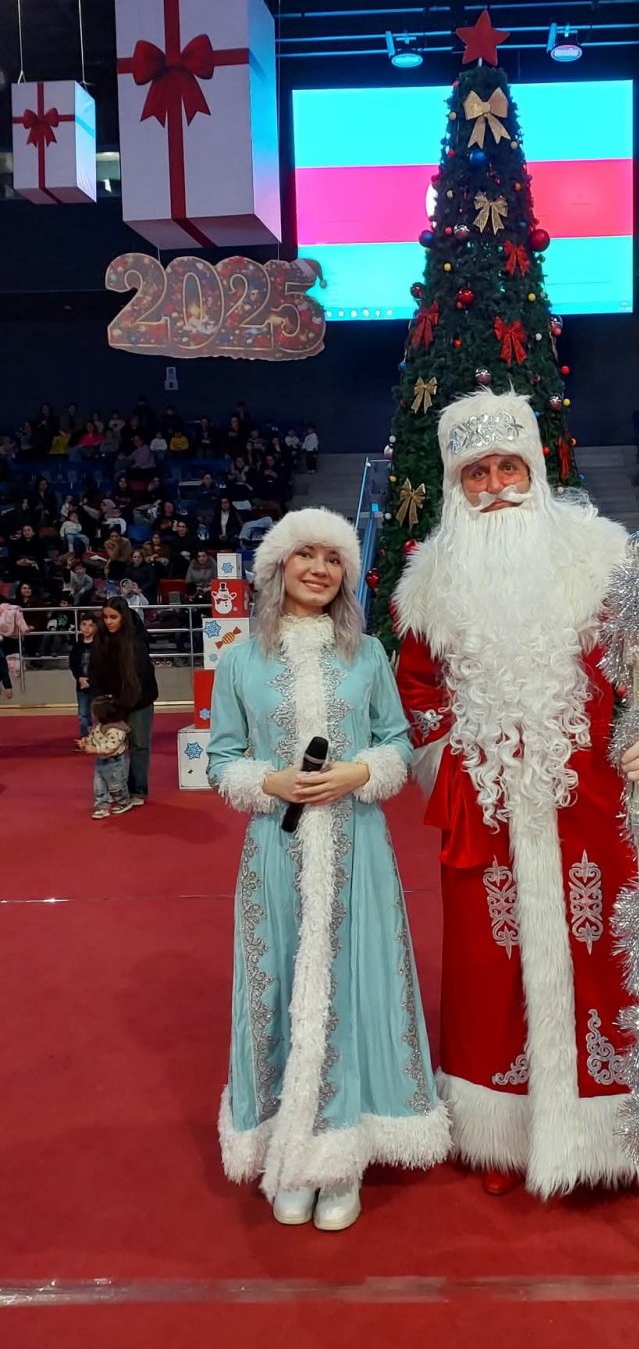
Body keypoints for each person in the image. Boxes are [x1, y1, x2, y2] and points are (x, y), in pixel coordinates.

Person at [395, 388, 639, 1238]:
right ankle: (503, 1134)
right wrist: (455, 762)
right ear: (457, 485)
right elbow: (419, 691)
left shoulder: (599, 559)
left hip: (593, 806)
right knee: (488, 974)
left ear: (536, 471)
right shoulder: (428, 586)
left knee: (621, 971)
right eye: (477, 473)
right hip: (487, 812)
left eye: (509, 467)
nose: (496, 487)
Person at [207, 508, 449, 1232]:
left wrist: (357, 772)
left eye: (333, 558)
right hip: (275, 852)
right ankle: (287, 1150)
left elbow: (397, 742)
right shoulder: (239, 660)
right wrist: (268, 781)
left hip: (357, 847)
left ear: (347, 573)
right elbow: (221, 758)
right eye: (304, 555)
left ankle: (341, 1158)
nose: (318, 568)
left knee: (355, 984)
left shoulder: (367, 655)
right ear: (277, 566)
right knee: (279, 984)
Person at [90, 598, 158, 804]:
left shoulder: (137, 641)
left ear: (124, 617)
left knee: (139, 745)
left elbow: (142, 676)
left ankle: (138, 790)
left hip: (140, 700)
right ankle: (116, 790)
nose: (109, 621)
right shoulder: (100, 639)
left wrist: (125, 705)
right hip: (110, 702)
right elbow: (95, 672)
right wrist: (103, 704)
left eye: (114, 617)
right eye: (105, 617)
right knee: (110, 747)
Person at [77, 695, 133, 819]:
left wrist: (95, 749)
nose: (93, 715)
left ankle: (124, 802)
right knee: (99, 785)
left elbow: (111, 746)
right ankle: (102, 807)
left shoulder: (116, 729)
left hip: (115, 762)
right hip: (101, 761)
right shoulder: (99, 726)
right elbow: (94, 737)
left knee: (117, 785)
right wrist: (86, 742)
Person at [69, 614, 98, 736]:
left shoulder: (99, 646)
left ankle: (100, 737)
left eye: (90, 625)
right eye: (84, 625)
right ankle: (85, 737)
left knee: (101, 714)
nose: (87, 628)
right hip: (81, 686)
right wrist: (79, 678)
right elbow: (73, 664)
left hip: (97, 685)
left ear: (96, 627)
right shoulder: (77, 646)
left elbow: (102, 665)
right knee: (83, 715)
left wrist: (91, 680)